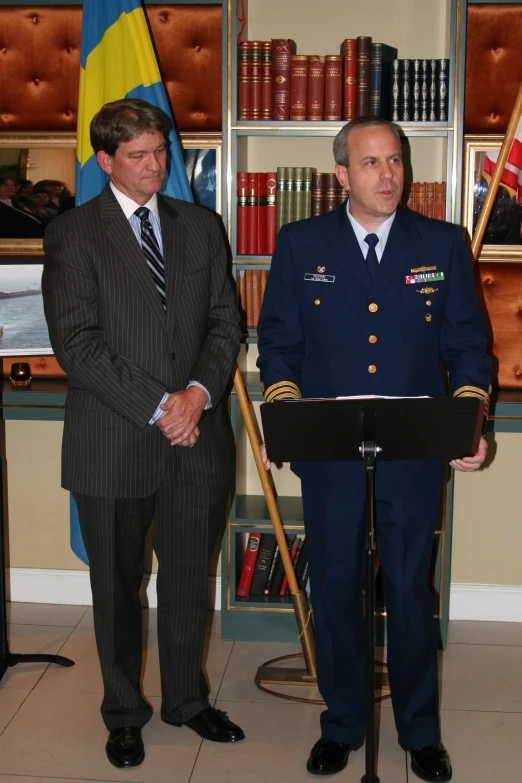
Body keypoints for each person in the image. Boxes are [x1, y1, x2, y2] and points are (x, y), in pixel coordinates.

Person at [257, 115, 491, 783]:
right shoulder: (302, 245)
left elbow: (467, 348)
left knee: (411, 595)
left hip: (414, 459)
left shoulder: (440, 244)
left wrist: (471, 421)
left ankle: (421, 732)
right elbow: (278, 343)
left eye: (395, 160)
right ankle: (343, 723)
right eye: (370, 162)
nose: (388, 174)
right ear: (341, 174)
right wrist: (284, 416)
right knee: (334, 589)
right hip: (330, 457)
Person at [42, 99, 243, 769]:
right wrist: (161, 405)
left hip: (198, 438)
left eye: (161, 152)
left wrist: (196, 395)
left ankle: (187, 699)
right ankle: (125, 712)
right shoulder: (73, 234)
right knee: (119, 588)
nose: (156, 165)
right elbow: (77, 343)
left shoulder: (201, 226)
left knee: (189, 579)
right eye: (138, 156)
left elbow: (225, 324)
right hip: (114, 440)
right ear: (104, 160)